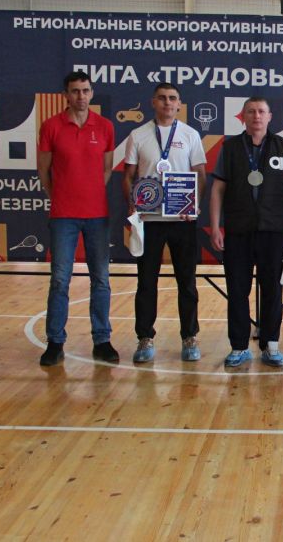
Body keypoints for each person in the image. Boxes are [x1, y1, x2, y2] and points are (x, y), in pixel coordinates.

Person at [209, 97, 283, 368]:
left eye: (261, 111)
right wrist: (215, 226)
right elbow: (217, 190)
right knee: (237, 289)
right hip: (238, 231)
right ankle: (239, 346)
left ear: (270, 116)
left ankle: (271, 345)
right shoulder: (229, 148)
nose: (256, 116)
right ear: (243, 116)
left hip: (272, 231)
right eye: (251, 111)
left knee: (273, 290)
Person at [36, 70, 117, 366]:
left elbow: (106, 169)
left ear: (91, 93)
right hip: (63, 217)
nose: (80, 96)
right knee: (60, 279)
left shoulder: (105, 126)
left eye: (85, 90)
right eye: (75, 91)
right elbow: (43, 170)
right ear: (66, 95)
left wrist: (90, 192)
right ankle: (55, 342)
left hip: (97, 215)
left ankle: (102, 340)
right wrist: (60, 196)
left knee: (101, 279)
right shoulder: (51, 126)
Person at [122, 83, 207, 363]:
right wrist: (133, 205)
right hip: (149, 220)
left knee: (187, 282)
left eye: (172, 98)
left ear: (179, 104)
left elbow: (200, 174)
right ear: (153, 102)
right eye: (162, 98)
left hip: (182, 220)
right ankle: (145, 338)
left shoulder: (191, 134)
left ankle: (189, 336)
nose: (167, 103)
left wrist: (193, 205)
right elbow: (128, 176)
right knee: (146, 282)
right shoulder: (138, 135)